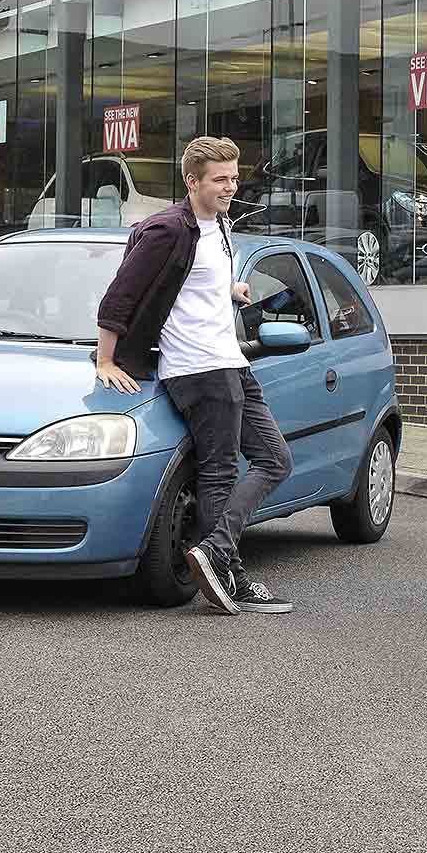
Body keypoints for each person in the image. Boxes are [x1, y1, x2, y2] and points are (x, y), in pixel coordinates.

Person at [93, 137, 294, 616]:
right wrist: (106, 360)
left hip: (230, 361)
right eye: (219, 180)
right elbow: (118, 298)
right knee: (221, 470)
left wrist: (231, 289)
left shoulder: (220, 225)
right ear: (192, 182)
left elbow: (191, 278)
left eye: (234, 177)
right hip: (199, 369)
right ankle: (229, 572)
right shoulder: (167, 229)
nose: (230, 187)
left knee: (274, 459)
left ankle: (218, 555)